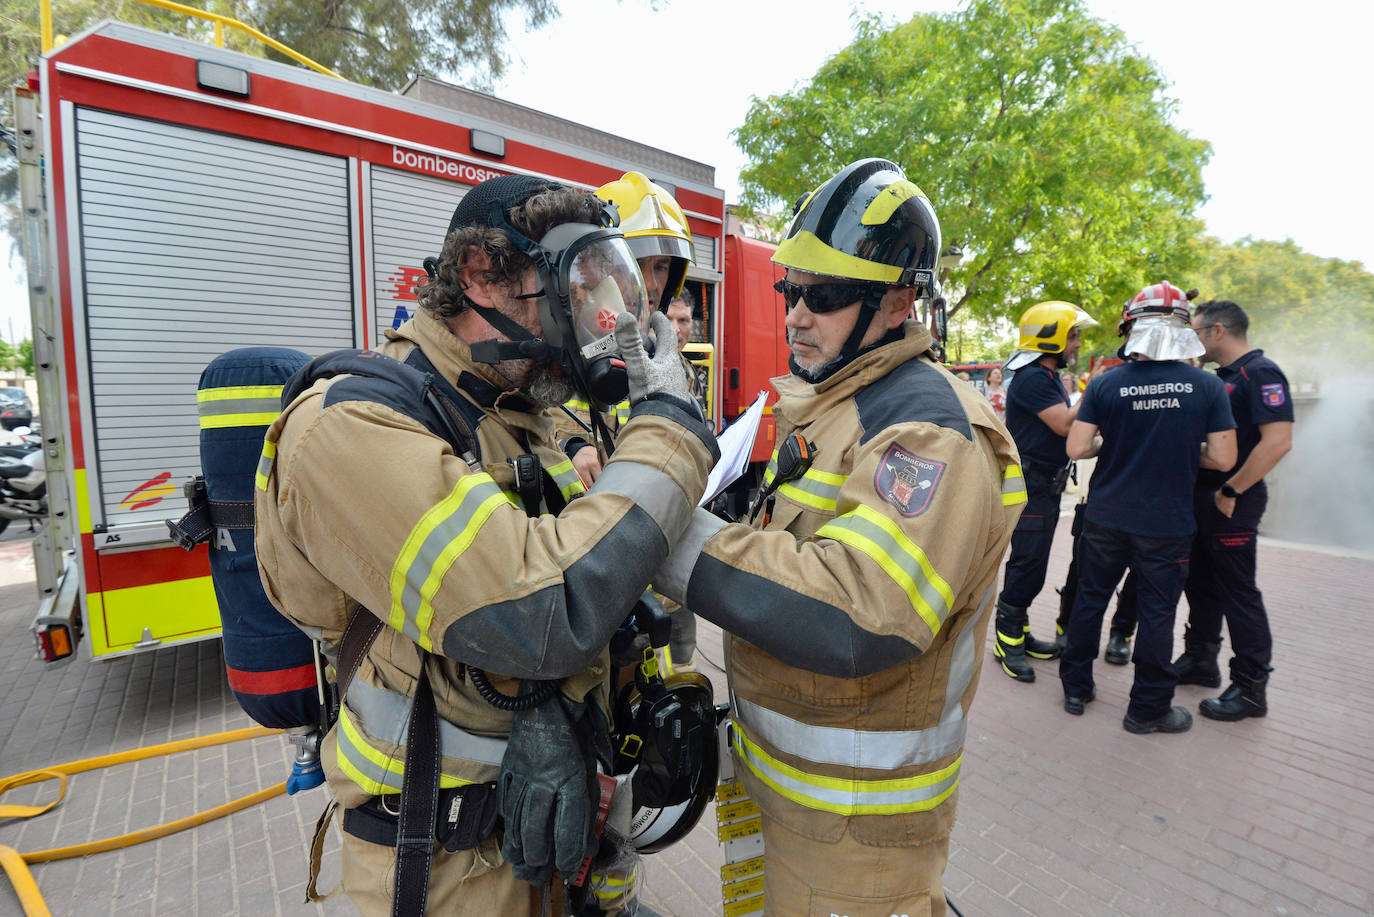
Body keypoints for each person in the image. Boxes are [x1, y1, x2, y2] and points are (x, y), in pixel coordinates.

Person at [254, 175, 717, 917]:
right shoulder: (347, 428)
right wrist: (666, 424)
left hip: (544, 847)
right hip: (442, 868)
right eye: (575, 285)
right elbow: (542, 611)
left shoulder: (517, 413)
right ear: (480, 275)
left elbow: (581, 566)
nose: (598, 315)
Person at [651, 159, 1025, 916]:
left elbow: (861, 612)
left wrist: (668, 539)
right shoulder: (837, 402)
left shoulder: (930, 430)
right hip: (787, 796)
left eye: (822, 296)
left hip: (859, 840)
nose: (793, 315)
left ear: (896, 301)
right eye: (791, 290)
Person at [1059, 280, 1236, 734]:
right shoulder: (1207, 387)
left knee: (1089, 602)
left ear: (1131, 328)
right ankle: (1148, 710)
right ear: (1183, 333)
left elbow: (1077, 448)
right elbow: (1222, 458)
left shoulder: (1106, 385)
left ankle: (1076, 688)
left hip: (1105, 517)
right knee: (1158, 614)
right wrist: (1177, 449)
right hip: (1166, 525)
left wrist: (1117, 442)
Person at [1177, 299, 1293, 720]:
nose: (1194, 339)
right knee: (1202, 583)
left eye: (1198, 330)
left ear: (1218, 331)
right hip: (1205, 498)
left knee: (1239, 592)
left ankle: (1249, 687)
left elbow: (1277, 441)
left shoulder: (1260, 373)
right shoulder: (1219, 377)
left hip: (1232, 502)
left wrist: (1230, 490)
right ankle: (1201, 660)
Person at [559, 172, 696, 488]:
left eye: (661, 267)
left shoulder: (672, 368)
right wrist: (569, 448)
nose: (650, 284)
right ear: (595, 267)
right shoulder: (556, 355)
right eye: (635, 262)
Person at [994, 300, 1098, 682]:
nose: (1077, 344)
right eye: (1073, 335)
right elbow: (1063, 424)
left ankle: (1018, 633)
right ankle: (1007, 641)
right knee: (1028, 564)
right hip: (1031, 484)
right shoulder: (1034, 378)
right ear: (1052, 336)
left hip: (1044, 485)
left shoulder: (1046, 376)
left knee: (1034, 564)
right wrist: (1098, 388)